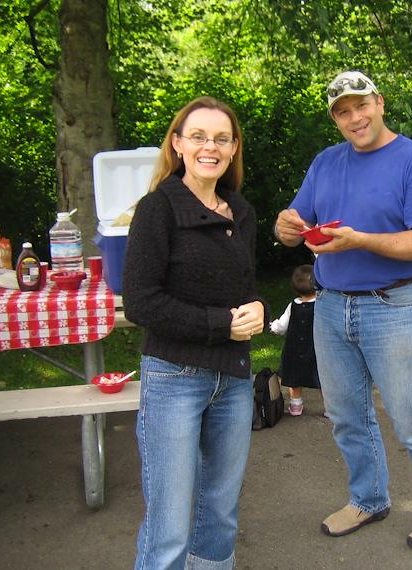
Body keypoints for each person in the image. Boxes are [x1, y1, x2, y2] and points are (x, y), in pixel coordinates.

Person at [275, 70, 412, 551]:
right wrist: (286, 226)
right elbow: (295, 226)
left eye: (361, 105)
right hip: (331, 306)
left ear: (380, 103)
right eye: (342, 112)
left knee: (410, 417)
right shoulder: (326, 162)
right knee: (344, 415)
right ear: (335, 119)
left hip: (395, 303)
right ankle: (368, 499)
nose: (354, 117)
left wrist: (359, 240)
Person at [123, 96, 267, 570]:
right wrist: (221, 324)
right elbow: (141, 302)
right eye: (199, 137)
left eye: (222, 139)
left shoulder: (240, 211)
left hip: (234, 379)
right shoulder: (157, 209)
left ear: (234, 148)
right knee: (168, 526)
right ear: (178, 144)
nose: (211, 147)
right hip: (174, 378)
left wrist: (258, 308)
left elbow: (243, 287)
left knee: (220, 513)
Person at [269, 264, 321, 416]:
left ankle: (296, 406)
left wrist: (273, 326)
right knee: (323, 379)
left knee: (295, 379)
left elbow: (282, 326)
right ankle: (330, 409)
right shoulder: (322, 304)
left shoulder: (292, 306)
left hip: (294, 350)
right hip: (317, 350)